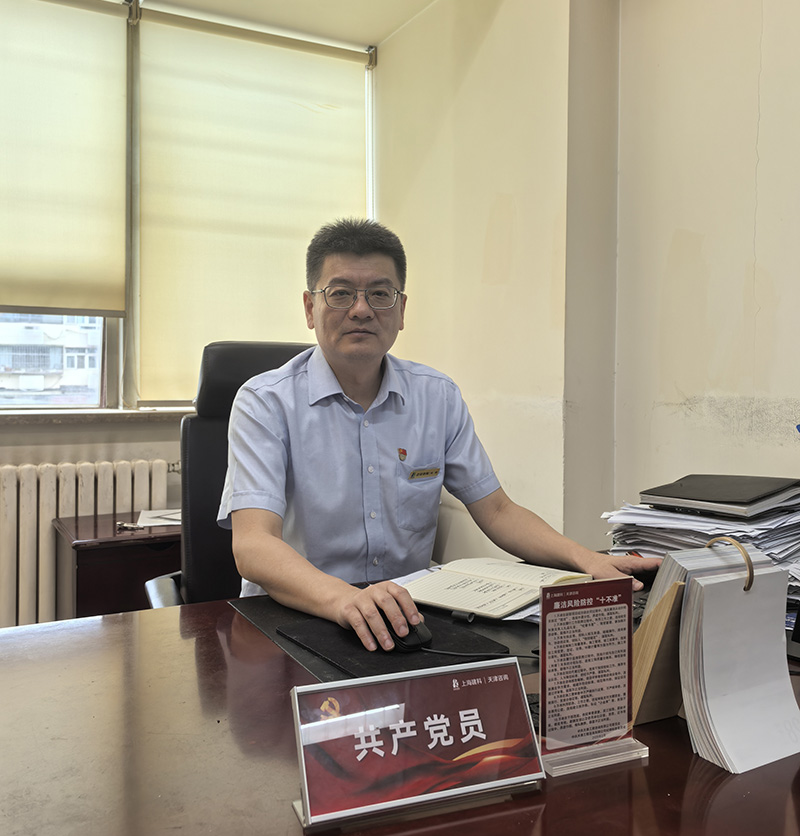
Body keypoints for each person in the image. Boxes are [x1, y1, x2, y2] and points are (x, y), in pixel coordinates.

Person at [218, 218, 658, 652]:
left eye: (380, 294)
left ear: (401, 310)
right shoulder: (265, 403)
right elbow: (254, 544)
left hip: (406, 622)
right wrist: (345, 599)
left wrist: (587, 560)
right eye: (341, 293)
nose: (361, 309)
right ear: (309, 308)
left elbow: (498, 510)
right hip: (293, 619)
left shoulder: (436, 396)